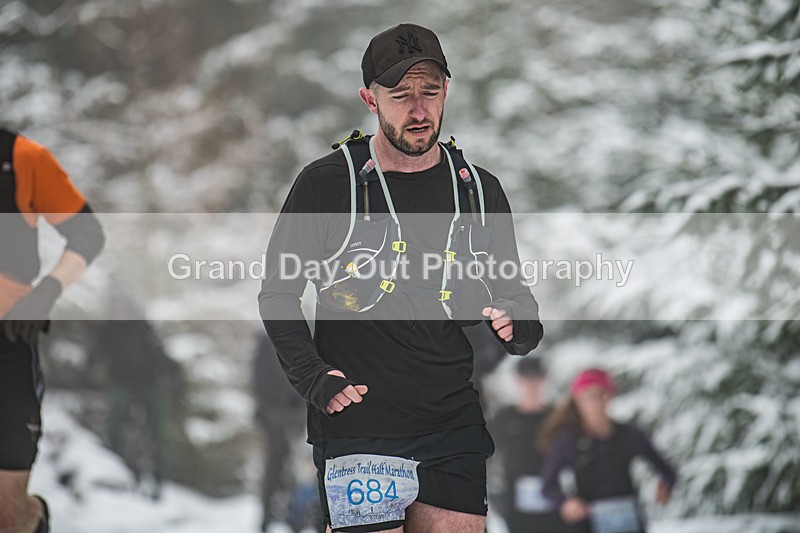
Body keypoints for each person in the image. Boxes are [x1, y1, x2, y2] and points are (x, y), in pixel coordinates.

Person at [258, 23, 543, 533]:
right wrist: (312, 376)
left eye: (429, 92)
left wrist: (519, 324)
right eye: (400, 95)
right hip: (359, 422)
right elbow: (278, 292)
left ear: (446, 91)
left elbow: (516, 295)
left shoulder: (479, 191)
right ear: (370, 99)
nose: (418, 109)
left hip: (453, 424)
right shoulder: (327, 185)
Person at [1, 127, 104, 532]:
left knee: (8, 516)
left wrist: (46, 292)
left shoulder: (22, 157)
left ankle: (34, 521)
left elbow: (88, 233)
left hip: (9, 343)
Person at [539, 369, 677, 533]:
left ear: (610, 396)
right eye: (588, 396)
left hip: (628, 522)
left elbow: (667, 470)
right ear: (577, 401)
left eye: (600, 395)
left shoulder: (629, 434)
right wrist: (566, 503)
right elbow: (548, 485)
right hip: (587, 522)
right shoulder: (569, 440)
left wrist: (666, 485)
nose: (595, 403)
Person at [84, 291, 181, 501]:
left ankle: (159, 482)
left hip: (150, 383)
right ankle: (115, 471)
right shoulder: (107, 330)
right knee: (115, 426)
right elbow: (94, 353)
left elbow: (160, 353)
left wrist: (174, 376)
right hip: (121, 383)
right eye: (116, 308)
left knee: (158, 433)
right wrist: (88, 373)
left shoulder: (143, 327)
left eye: (123, 308)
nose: (120, 312)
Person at [488, 357, 564, 533]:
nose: (531, 385)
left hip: (553, 498)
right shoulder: (503, 418)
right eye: (526, 379)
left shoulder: (556, 417)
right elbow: (490, 456)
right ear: (518, 381)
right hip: (514, 501)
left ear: (543, 379)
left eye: (535, 378)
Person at [251, 331, 307, 531]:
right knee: (276, 462)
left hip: (295, 413)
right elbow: (260, 378)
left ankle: (294, 514)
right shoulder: (266, 339)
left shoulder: (300, 335)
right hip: (275, 415)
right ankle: (269, 513)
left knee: (296, 464)